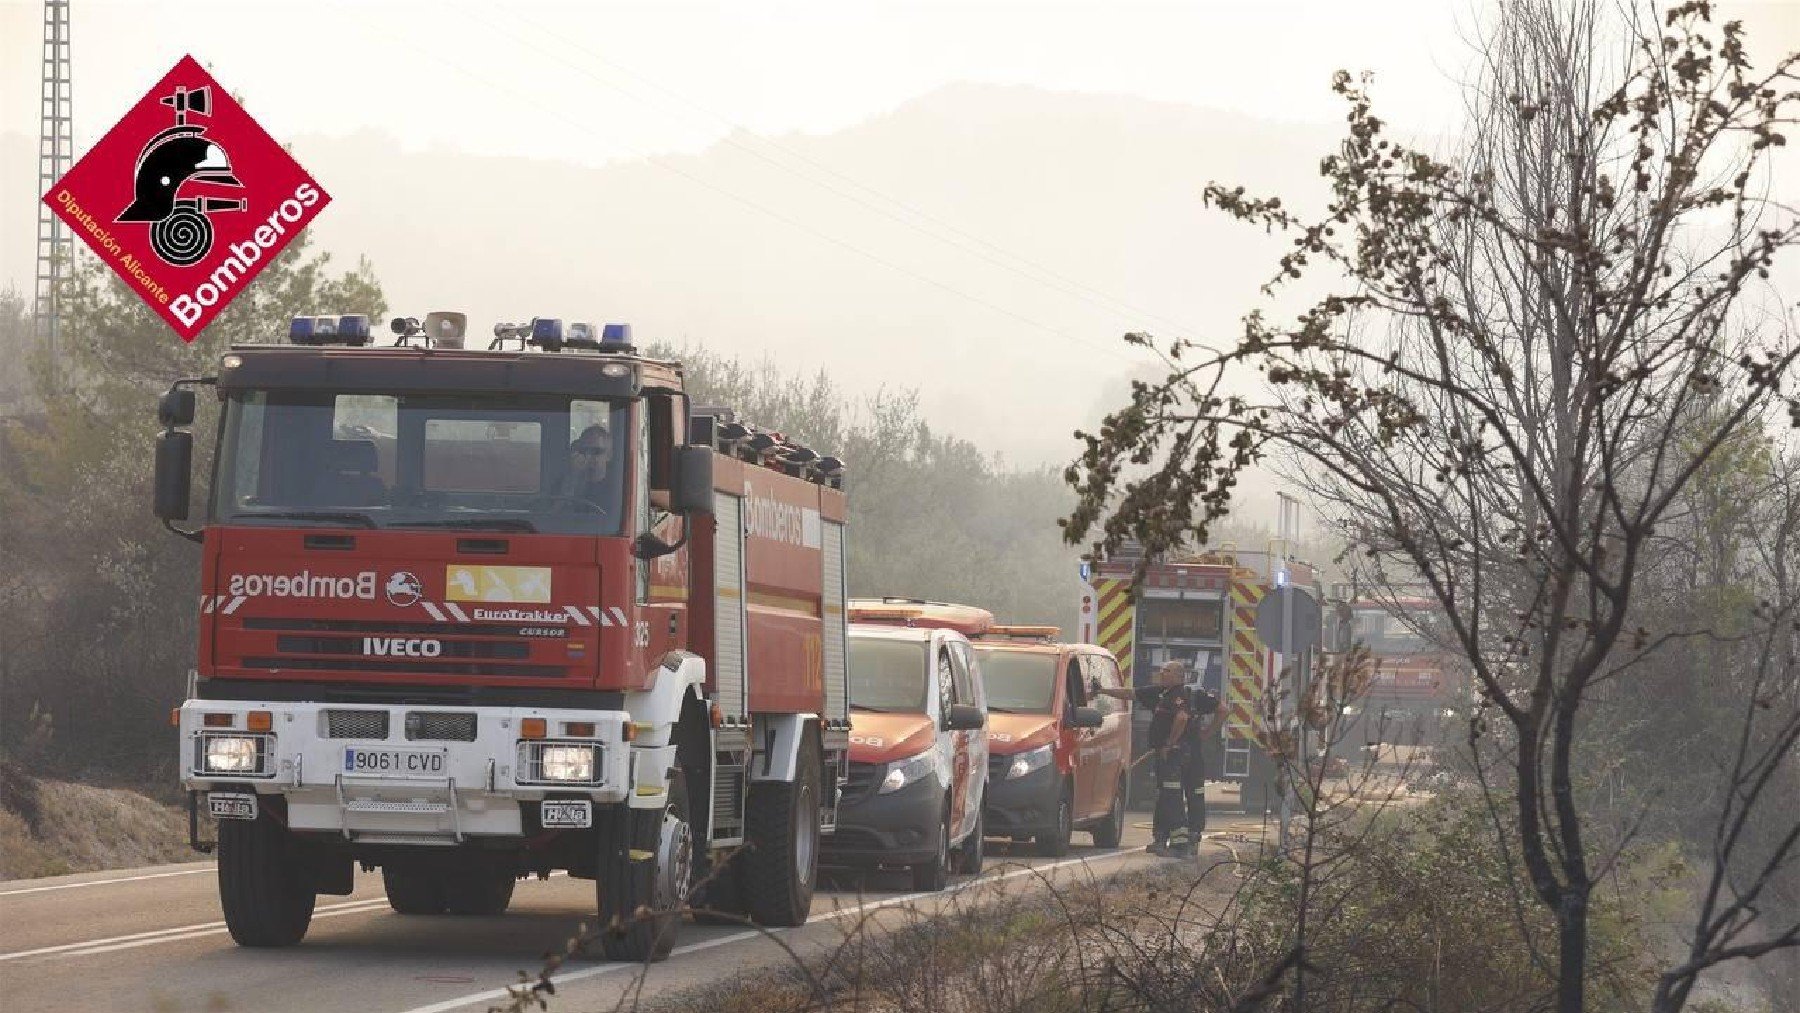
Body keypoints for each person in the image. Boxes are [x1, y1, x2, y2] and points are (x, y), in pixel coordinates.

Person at [1093, 660, 1219, 856]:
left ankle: (1179, 843)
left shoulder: (1184, 696)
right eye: (1161, 670)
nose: (1162, 673)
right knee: (1168, 796)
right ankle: (1168, 839)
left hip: (1175, 755)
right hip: (1181, 754)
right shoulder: (1159, 693)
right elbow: (1130, 693)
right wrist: (1102, 691)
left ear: (1179, 676)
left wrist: (1169, 743)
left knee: (1173, 796)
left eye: (1166, 671)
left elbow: (1182, 717)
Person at [556, 424, 616, 509]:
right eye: (584, 450)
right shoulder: (565, 483)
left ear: (609, 455)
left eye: (596, 451)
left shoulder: (617, 490)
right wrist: (572, 479)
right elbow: (553, 514)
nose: (588, 456)